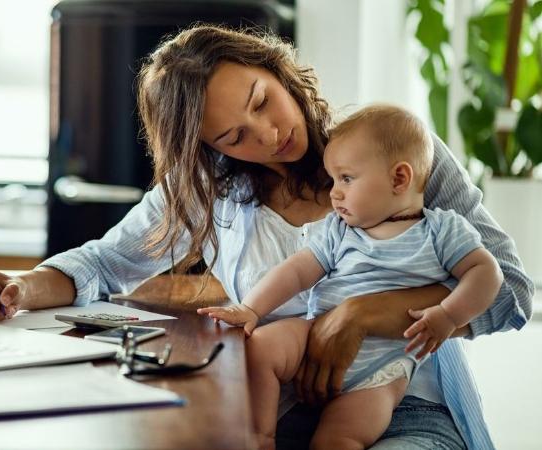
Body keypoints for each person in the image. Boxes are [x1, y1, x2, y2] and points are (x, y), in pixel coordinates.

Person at [0, 25, 533, 449]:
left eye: (263, 101)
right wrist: (21, 287)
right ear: (211, 148)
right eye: (235, 135)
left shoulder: (396, 153)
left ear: (279, 69)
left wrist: (360, 314)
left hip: (400, 404)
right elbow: (105, 263)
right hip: (271, 407)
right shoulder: (210, 190)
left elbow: (511, 295)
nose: (269, 135)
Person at [197, 104, 504, 449]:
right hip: (317, 334)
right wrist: (251, 309)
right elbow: (298, 270)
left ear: (399, 178)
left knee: (337, 439)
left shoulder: (441, 231)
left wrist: (449, 315)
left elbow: (488, 272)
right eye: (333, 180)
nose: (334, 193)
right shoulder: (341, 230)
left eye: (346, 179)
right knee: (261, 348)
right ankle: (259, 438)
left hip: (382, 371)